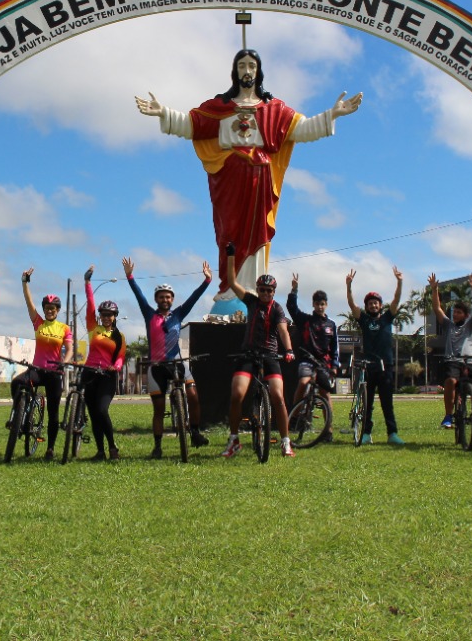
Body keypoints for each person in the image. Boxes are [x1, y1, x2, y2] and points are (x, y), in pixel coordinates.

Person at [135, 49, 363, 296]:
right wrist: (163, 112)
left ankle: (254, 291)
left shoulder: (274, 109)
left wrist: (333, 114)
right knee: (228, 234)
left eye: (252, 66)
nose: (247, 70)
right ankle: (229, 291)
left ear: (258, 71)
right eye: (242, 65)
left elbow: (302, 129)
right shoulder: (220, 107)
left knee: (258, 234)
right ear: (235, 71)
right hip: (229, 181)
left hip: (260, 180)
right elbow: (192, 125)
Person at [123, 256, 213, 457]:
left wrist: (206, 281)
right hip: (156, 367)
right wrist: (130, 277)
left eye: (168, 297)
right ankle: (157, 446)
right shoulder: (149, 314)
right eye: (161, 297)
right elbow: (139, 296)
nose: (165, 299)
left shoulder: (179, 314)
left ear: (172, 299)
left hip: (178, 364)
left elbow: (194, 298)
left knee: (193, 396)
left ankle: (195, 433)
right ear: (156, 299)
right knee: (158, 409)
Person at [222, 243, 296, 458]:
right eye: (262, 290)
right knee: (236, 395)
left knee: (278, 397)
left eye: (269, 290)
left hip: (270, 355)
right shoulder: (251, 301)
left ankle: (285, 441)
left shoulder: (277, 308)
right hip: (249, 355)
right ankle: (234, 439)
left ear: (274, 292)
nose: (265, 293)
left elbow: (283, 331)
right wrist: (231, 256)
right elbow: (232, 282)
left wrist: (289, 350)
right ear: (258, 290)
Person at [12, 268, 73, 460]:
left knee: (54, 414)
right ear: (44, 309)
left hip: (55, 372)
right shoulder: (38, 322)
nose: (49, 311)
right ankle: (19, 414)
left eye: (53, 308)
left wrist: (65, 362)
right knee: (16, 383)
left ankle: (50, 448)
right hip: (37, 369)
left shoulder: (64, 328)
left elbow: (70, 349)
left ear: (57, 310)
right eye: (47, 308)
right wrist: (25, 281)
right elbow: (28, 302)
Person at [346, 266, 406, 446]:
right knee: (368, 404)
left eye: (376, 302)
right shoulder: (363, 319)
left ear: (380, 305)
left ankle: (392, 434)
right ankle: (366, 433)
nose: (373, 305)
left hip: (385, 366)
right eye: (370, 303)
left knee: (387, 403)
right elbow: (351, 304)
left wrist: (400, 282)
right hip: (368, 366)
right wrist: (348, 286)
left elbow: (396, 300)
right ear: (366, 306)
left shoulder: (387, 318)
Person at [431, 273, 472, 449]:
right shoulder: (448, 325)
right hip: (452, 361)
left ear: (465, 314)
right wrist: (435, 290)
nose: (455, 314)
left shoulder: (471, 325)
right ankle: (449, 415)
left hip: (471, 362)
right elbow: (437, 309)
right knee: (450, 381)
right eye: (454, 312)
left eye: (459, 312)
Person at [82, 266, 125, 461]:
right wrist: (88, 283)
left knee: (102, 410)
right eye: (104, 314)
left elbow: (120, 357)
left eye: (110, 314)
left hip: (107, 376)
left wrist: (114, 367)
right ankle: (100, 451)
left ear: (115, 316)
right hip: (89, 372)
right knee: (92, 413)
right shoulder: (94, 328)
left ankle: (112, 446)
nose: (106, 317)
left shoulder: (119, 336)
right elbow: (90, 305)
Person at [286, 274, 339, 430]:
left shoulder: (331, 324)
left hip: (324, 364)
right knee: (303, 382)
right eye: (317, 304)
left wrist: (335, 365)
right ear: (313, 304)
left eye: (322, 304)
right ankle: (294, 417)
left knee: (325, 394)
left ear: (326, 305)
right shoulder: (306, 320)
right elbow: (292, 308)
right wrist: (294, 290)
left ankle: (328, 430)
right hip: (306, 361)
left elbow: (335, 347)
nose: (320, 306)